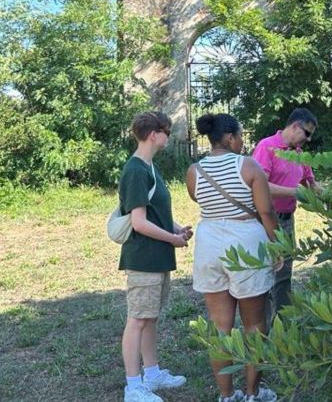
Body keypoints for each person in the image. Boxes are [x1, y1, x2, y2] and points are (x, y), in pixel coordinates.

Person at [186, 113, 281, 402]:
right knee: (254, 326)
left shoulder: (194, 171)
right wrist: (279, 246)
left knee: (219, 328)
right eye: (240, 136)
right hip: (246, 244)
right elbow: (265, 212)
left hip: (209, 244)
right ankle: (253, 394)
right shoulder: (249, 166)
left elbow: (199, 201)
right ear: (229, 137)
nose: (242, 142)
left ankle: (226, 396)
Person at [118, 112, 194, 402]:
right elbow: (138, 222)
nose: (169, 136)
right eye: (166, 131)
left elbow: (155, 213)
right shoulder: (136, 170)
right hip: (143, 258)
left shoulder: (150, 167)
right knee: (137, 319)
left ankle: (152, 373)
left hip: (157, 257)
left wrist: (176, 229)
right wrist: (172, 240)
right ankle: (133, 386)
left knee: (150, 318)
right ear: (154, 134)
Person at [251, 108, 321, 327]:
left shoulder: (299, 153)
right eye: (306, 133)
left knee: (284, 275)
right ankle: (259, 328)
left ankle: (283, 327)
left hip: (287, 219)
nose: (308, 139)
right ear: (294, 126)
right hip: (264, 219)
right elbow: (260, 186)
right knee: (264, 273)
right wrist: (295, 193)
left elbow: (311, 184)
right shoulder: (266, 147)